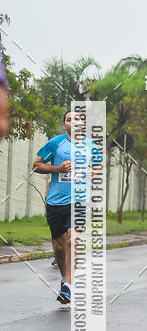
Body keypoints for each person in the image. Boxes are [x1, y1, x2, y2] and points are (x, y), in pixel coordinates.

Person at [32, 110, 102, 305]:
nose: (73, 121)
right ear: (65, 125)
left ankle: (69, 285)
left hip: (80, 200)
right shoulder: (56, 143)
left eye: (77, 119)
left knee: (73, 239)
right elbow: (36, 165)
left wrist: (93, 172)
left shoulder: (89, 145)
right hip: (56, 200)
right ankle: (65, 279)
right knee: (59, 245)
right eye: (69, 119)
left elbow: (98, 164)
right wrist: (58, 169)